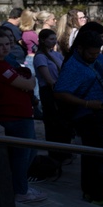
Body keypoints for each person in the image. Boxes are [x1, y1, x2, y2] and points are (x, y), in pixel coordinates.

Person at [54, 25, 103, 207]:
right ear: (80, 48)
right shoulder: (73, 66)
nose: (94, 56)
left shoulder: (95, 59)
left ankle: (94, 189)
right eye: (91, 54)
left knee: (97, 157)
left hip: (101, 111)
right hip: (88, 116)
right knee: (93, 157)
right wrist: (87, 104)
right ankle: (97, 195)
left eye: (97, 53)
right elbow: (60, 93)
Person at [0, 27, 45, 203]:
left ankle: (19, 186)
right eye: (0, 45)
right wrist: (30, 80)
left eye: (8, 44)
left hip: (20, 113)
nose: (5, 48)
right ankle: (20, 190)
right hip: (14, 114)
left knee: (27, 152)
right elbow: (28, 83)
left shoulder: (2, 63)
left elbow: (25, 83)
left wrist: (27, 81)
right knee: (22, 155)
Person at [33, 29, 71, 161]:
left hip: (60, 89)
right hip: (50, 92)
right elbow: (48, 79)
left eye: (55, 39)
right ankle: (55, 154)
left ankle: (65, 152)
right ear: (43, 40)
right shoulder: (40, 57)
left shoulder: (56, 54)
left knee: (63, 123)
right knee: (53, 123)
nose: (54, 41)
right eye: (51, 39)